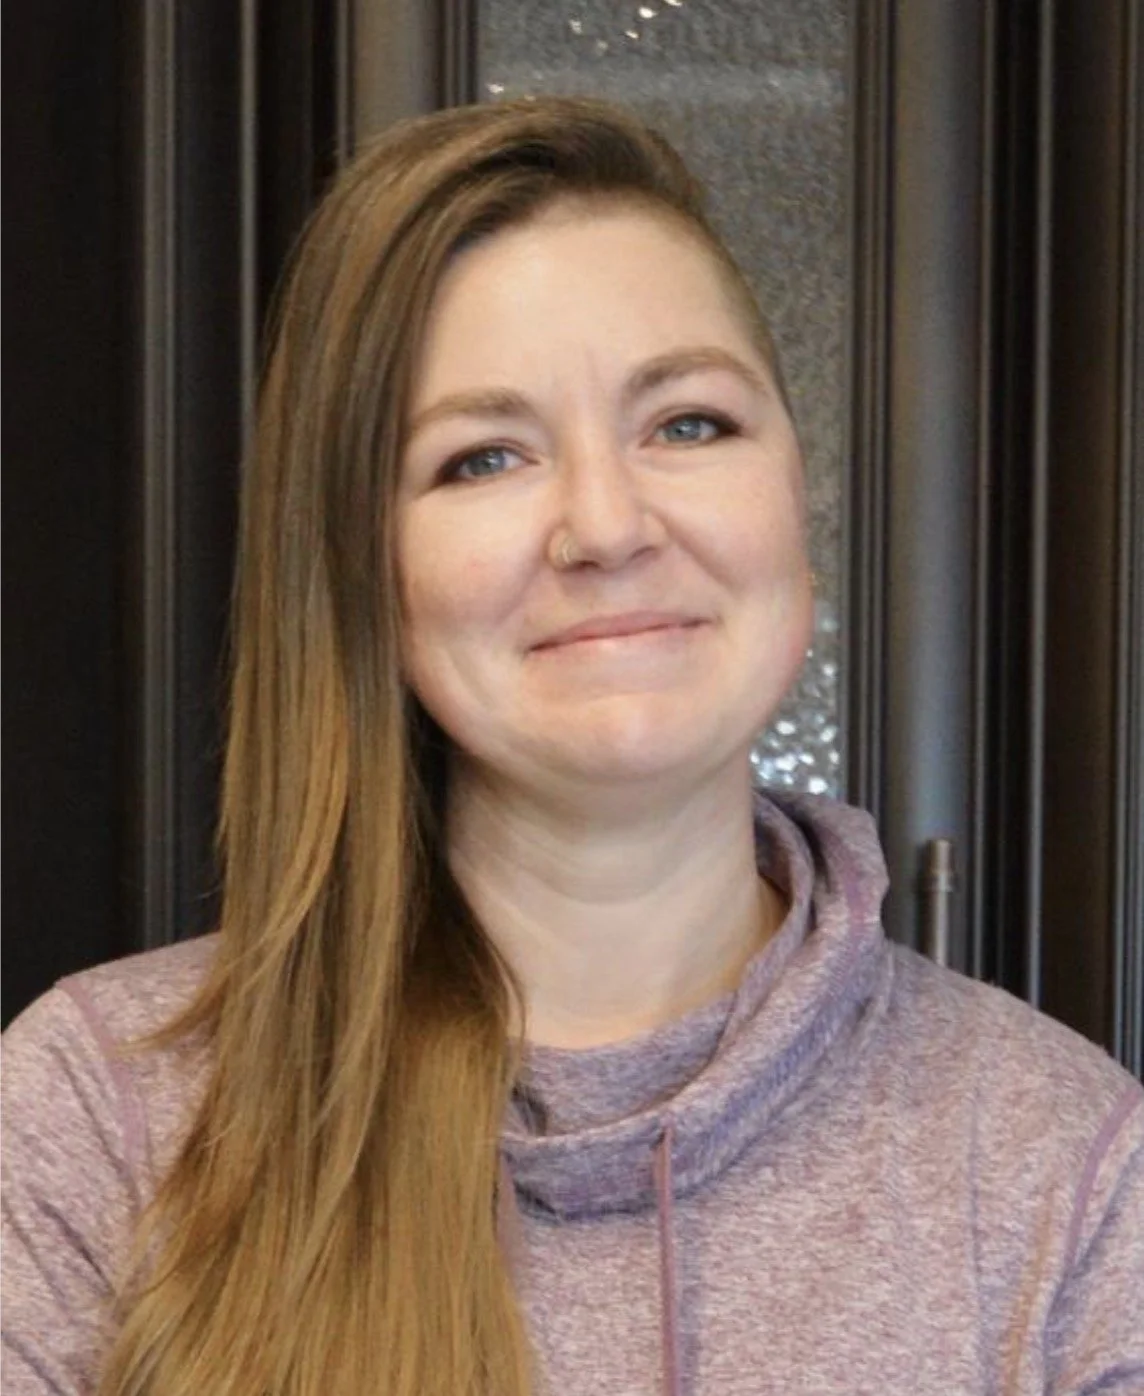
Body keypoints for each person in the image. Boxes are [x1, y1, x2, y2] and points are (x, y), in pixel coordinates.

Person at [2, 95, 1141, 1396]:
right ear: (361, 573)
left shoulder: (1069, 1162)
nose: (605, 523)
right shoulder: (91, 1115)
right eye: (484, 457)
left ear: (795, 507)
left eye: (688, 424)